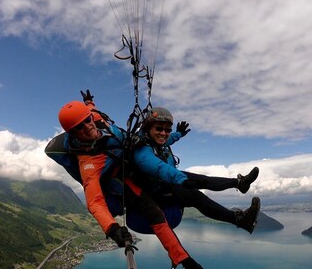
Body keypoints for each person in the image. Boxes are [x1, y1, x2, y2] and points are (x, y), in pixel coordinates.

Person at [46, 92, 203, 269]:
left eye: (87, 121)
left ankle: (181, 255)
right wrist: (112, 229)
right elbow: (94, 201)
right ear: (72, 133)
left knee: (167, 198)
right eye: (79, 127)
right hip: (123, 180)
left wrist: (89, 102)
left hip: (133, 166)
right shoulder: (87, 163)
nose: (87, 127)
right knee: (154, 212)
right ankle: (183, 259)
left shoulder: (96, 118)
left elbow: (91, 110)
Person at [132, 107, 261, 235]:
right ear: (148, 128)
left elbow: (168, 139)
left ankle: (239, 183)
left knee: (202, 179)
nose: (164, 133)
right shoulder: (142, 152)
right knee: (196, 196)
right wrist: (182, 180)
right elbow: (160, 167)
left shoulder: (152, 141)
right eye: (159, 128)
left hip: (162, 186)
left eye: (167, 129)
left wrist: (178, 134)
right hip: (153, 198)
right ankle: (240, 220)